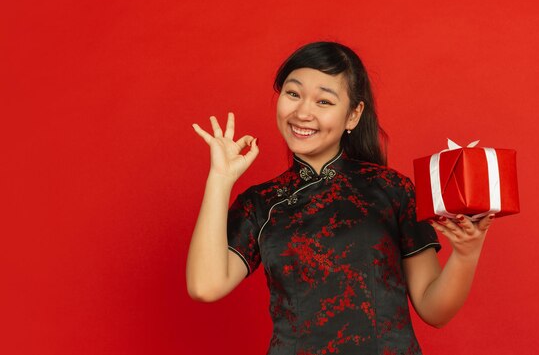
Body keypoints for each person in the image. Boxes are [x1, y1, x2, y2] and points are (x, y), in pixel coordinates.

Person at [186, 41, 495, 355]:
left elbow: (434, 310)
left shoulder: (391, 189)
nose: (303, 112)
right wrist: (220, 179)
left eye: (323, 101)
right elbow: (205, 286)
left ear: (353, 115)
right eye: (293, 94)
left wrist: (466, 255)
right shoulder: (261, 202)